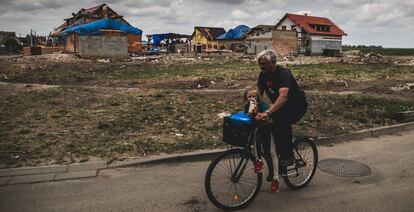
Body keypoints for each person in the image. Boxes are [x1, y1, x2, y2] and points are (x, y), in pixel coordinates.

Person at [254, 50, 308, 170]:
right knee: (266, 124)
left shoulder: (283, 74)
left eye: (263, 63)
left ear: (272, 63)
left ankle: (287, 156)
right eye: (259, 64)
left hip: (296, 106)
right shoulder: (263, 74)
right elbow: (259, 93)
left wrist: (268, 112)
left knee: (280, 123)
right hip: (281, 106)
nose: (261, 66)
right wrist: (255, 108)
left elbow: (283, 97)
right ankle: (272, 151)